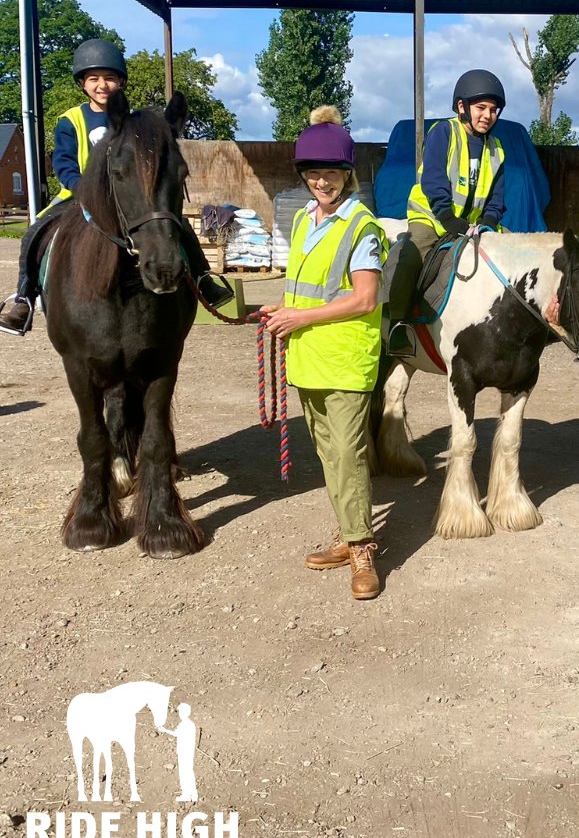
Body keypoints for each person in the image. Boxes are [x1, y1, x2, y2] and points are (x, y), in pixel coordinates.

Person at [0, 38, 232, 336]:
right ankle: (24, 296)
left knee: (179, 225)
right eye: (94, 79)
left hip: (131, 197)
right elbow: (64, 162)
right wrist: (82, 187)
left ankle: (203, 279)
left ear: (120, 82)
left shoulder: (137, 121)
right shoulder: (71, 120)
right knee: (35, 231)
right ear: (82, 83)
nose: (102, 85)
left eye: (109, 78)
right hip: (78, 195)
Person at [261, 106, 388, 601]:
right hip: (308, 355)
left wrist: (300, 318)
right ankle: (349, 534)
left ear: (346, 175)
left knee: (349, 455)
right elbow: (307, 288)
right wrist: (284, 307)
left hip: (345, 359)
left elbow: (364, 298)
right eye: (313, 173)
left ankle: (361, 548)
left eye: (330, 173)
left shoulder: (363, 227)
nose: (322, 182)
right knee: (329, 456)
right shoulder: (302, 222)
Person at [385, 69, 509, 355]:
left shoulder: (498, 148)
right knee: (411, 256)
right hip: (432, 219)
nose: (487, 115)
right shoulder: (444, 132)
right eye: (481, 108)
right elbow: (434, 180)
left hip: (476, 225)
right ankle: (398, 323)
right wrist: (449, 219)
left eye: (493, 110)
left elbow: (497, 196)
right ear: (462, 107)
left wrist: (489, 222)